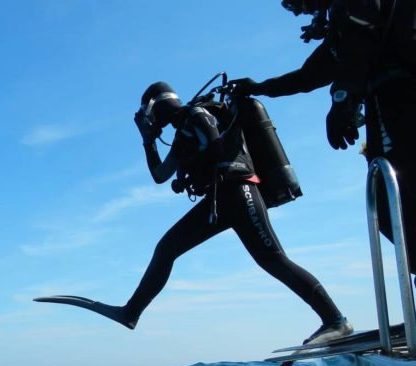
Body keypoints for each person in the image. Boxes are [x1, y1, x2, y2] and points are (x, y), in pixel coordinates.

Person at [37, 81, 353, 345]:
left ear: (152, 108)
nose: (149, 122)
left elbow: (214, 143)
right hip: (221, 199)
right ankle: (131, 313)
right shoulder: (183, 131)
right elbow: (161, 174)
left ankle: (336, 320)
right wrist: (148, 142)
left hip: (239, 191)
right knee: (167, 248)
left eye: (147, 116)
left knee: (273, 259)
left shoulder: (197, 114)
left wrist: (200, 163)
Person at [230, 0, 416, 280]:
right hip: (392, 101)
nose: (300, 11)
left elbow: (358, 48)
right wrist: (260, 88)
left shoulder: (352, 12)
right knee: (389, 201)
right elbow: (309, 75)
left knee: (395, 198)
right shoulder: (347, 23)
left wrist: (342, 98)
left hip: (399, 101)